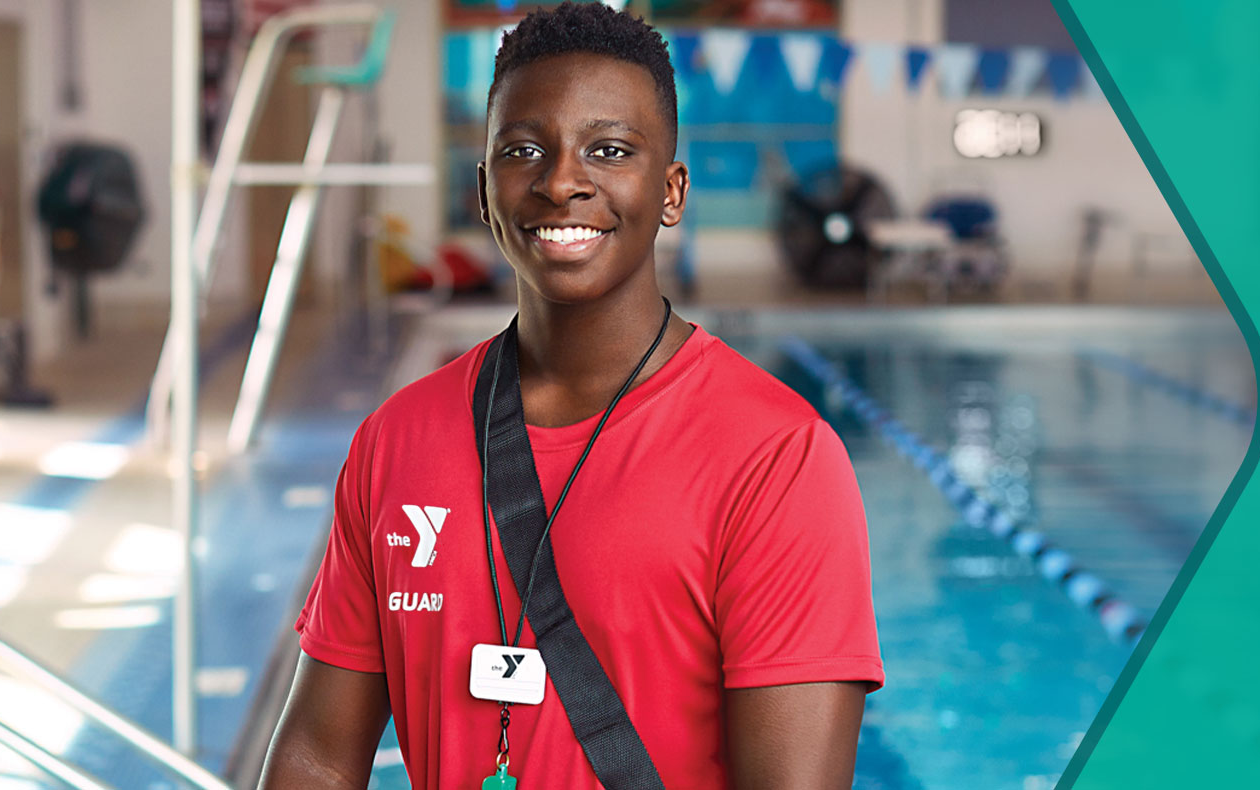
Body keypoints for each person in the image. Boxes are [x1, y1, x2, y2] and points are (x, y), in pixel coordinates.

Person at [254, 4, 881, 788]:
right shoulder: (396, 441)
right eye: (524, 150)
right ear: (485, 192)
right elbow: (315, 756)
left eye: (609, 150)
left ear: (672, 191)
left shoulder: (776, 458)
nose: (561, 181)